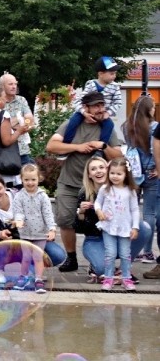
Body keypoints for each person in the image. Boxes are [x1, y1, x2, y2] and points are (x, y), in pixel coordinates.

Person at [46, 90, 122, 272]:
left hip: (96, 186)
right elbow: (51, 146)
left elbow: (119, 155)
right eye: (96, 105)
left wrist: (103, 146)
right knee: (65, 220)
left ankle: (97, 258)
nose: (100, 109)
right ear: (86, 108)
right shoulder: (70, 124)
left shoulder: (107, 128)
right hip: (69, 181)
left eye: (102, 105)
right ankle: (71, 258)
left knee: (98, 221)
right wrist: (77, 147)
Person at [0, 173, 66, 284]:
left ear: (4, 187)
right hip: (6, 244)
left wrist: (49, 229)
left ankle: (31, 269)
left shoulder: (20, 195)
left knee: (57, 254)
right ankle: (0, 269)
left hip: (31, 237)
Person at [76, 156, 150, 284]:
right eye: (93, 169)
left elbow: (133, 212)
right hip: (95, 239)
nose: (98, 171)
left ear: (108, 169)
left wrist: (133, 226)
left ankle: (123, 270)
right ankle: (97, 268)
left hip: (119, 234)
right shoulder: (85, 193)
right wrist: (81, 213)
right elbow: (78, 228)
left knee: (143, 227)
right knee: (101, 269)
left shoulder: (125, 190)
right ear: (89, 175)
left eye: (101, 167)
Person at [94, 157, 140, 291]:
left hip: (125, 227)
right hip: (108, 226)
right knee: (110, 253)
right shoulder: (105, 189)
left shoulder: (130, 191)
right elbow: (98, 202)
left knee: (125, 254)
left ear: (126, 174)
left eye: (119, 173)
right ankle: (108, 278)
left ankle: (126, 278)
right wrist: (98, 211)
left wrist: (135, 227)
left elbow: (135, 209)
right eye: (112, 173)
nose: (115, 176)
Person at [12, 164, 57, 293]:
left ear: (39, 179)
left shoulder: (43, 196)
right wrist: (19, 220)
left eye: (33, 179)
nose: (30, 183)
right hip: (25, 233)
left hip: (40, 233)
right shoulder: (19, 196)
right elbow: (18, 211)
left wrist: (52, 229)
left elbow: (48, 214)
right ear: (21, 179)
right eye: (26, 180)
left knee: (38, 257)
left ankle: (38, 279)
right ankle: (23, 277)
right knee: (25, 257)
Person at [124, 95, 158, 264]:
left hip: (134, 173)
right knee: (149, 213)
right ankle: (147, 251)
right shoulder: (154, 127)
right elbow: (154, 150)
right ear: (148, 109)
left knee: (132, 210)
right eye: (153, 106)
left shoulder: (127, 127)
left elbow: (129, 149)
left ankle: (133, 248)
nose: (154, 109)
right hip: (152, 173)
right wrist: (155, 167)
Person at [0, 85, 29, 187]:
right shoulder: (4, 115)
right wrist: (19, 131)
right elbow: (6, 141)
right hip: (2, 164)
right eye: (4, 96)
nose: (6, 100)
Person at [71, 56, 123, 121]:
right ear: (101, 74)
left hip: (102, 114)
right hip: (88, 113)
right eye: (111, 74)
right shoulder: (91, 85)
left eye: (115, 73)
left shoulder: (115, 86)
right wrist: (84, 112)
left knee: (109, 125)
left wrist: (108, 113)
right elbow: (79, 100)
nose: (114, 76)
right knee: (73, 121)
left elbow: (118, 102)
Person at [0, 73, 35, 166]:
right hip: (4, 152)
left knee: (28, 178)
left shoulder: (21, 100)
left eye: (15, 84)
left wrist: (25, 122)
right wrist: (20, 119)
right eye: (10, 84)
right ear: (2, 86)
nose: (14, 86)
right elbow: (0, 126)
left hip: (23, 150)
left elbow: (29, 120)